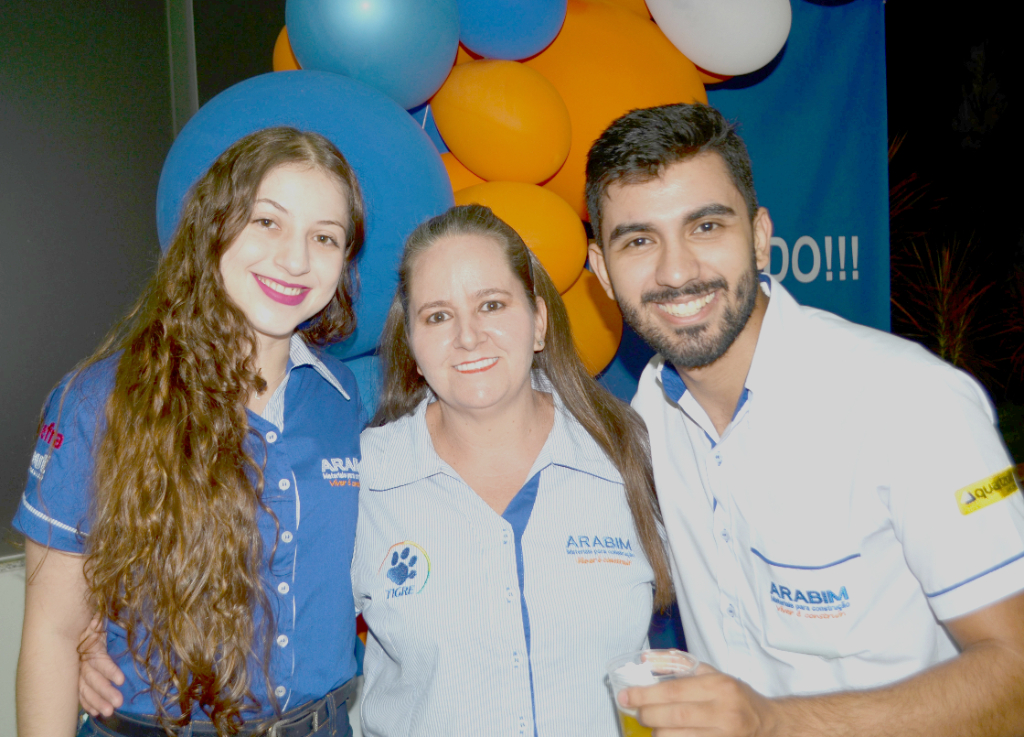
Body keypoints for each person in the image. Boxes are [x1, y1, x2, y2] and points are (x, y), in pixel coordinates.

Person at [584, 102, 1024, 736]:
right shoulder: (650, 414)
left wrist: (772, 723)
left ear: (760, 237)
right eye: (639, 240)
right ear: (601, 269)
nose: (676, 272)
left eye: (706, 227)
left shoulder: (911, 403)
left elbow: (1015, 672)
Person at [15, 126, 366, 737]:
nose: (295, 259)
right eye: (267, 222)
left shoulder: (344, 400)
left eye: (325, 238)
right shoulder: (102, 399)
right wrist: (85, 641)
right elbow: (52, 632)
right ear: (214, 226)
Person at [350, 204, 673, 736]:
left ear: (539, 321)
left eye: (492, 305)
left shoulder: (632, 454)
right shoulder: (363, 479)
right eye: (437, 315)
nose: (468, 336)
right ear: (411, 341)